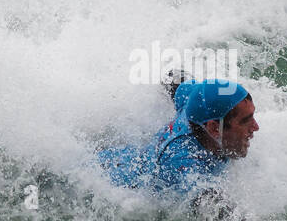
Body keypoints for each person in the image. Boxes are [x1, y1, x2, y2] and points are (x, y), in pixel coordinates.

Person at [97, 76, 258, 196]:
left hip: (127, 155)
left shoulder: (196, 101)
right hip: (111, 180)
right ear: (215, 128)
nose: (256, 127)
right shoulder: (183, 162)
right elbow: (212, 208)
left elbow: (175, 79)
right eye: (245, 121)